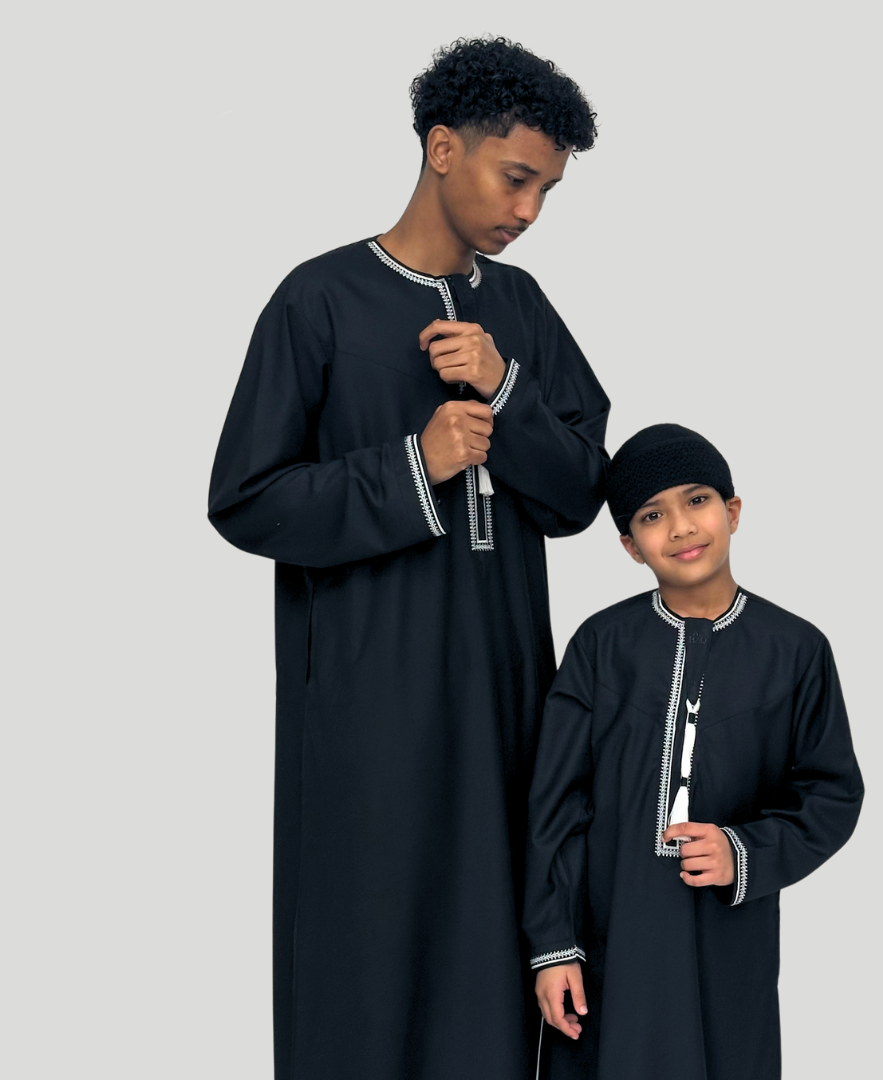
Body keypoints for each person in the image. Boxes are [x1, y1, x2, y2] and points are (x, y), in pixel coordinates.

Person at [208, 37, 609, 1080]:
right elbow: (246, 499)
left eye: (547, 190)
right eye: (515, 178)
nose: (529, 210)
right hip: (367, 703)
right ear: (442, 148)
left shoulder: (519, 310)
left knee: (494, 958)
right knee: (366, 952)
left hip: (507, 700)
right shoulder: (320, 302)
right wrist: (411, 466)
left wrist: (509, 393)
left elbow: (580, 492)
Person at [524, 425, 863, 1080]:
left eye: (697, 500)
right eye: (651, 516)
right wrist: (553, 945)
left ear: (732, 511)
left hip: (727, 940)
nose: (680, 527)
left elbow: (832, 794)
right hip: (610, 939)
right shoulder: (601, 646)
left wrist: (744, 851)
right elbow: (554, 806)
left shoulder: (795, 651)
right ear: (630, 546)